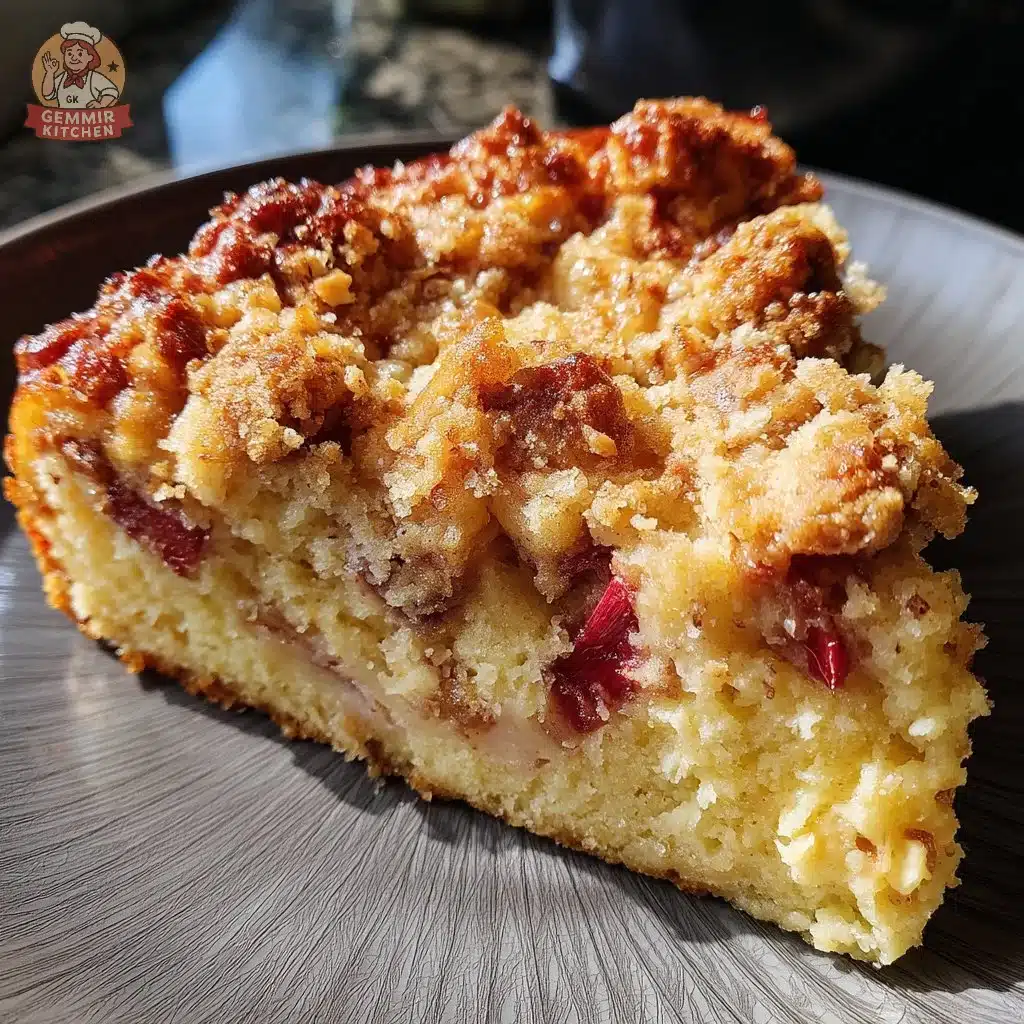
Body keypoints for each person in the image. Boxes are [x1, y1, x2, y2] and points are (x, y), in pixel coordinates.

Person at [40, 22, 119, 110]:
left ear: (90, 57)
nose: (73, 57)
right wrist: (50, 73)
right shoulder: (62, 77)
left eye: (80, 53)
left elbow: (111, 92)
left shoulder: (93, 78)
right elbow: (47, 95)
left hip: (89, 121)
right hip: (64, 121)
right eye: (69, 53)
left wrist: (101, 104)